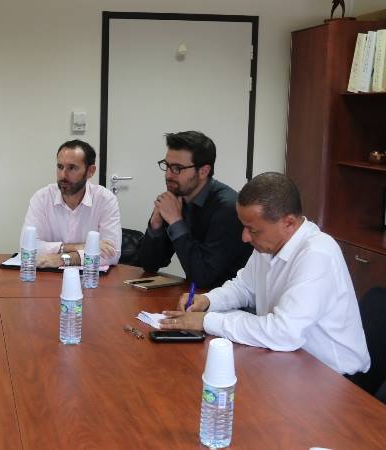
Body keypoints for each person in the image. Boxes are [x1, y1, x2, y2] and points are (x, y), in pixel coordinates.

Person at [160, 172, 370, 375]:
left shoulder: (317, 254)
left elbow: (283, 333)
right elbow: (244, 287)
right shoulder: (269, 245)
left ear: (288, 223)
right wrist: (207, 300)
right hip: (289, 364)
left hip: (335, 378)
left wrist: (206, 321)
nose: (245, 237)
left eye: (253, 230)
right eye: (244, 227)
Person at [138, 131, 252, 289]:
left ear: (203, 171)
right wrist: (155, 225)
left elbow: (204, 277)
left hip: (229, 303)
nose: (169, 175)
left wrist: (176, 222)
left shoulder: (228, 209)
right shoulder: (177, 197)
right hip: (196, 297)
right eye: (167, 166)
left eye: (177, 168)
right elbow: (149, 264)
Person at [22, 139, 121, 268]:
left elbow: (112, 253)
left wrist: (64, 259)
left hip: (89, 280)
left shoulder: (105, 199)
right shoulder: (41, 198)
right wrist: (83, 247)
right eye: (60, 167)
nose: (63, 175)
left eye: (72, 168)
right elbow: (27, 245)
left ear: (90, 171)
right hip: (47, 277)